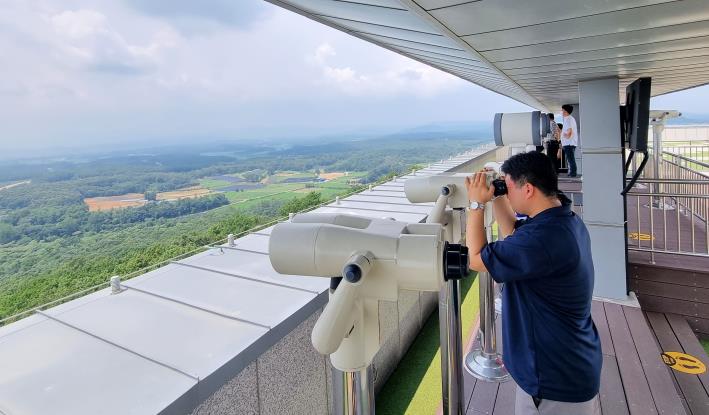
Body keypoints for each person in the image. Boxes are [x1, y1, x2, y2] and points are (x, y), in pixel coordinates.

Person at [464, 151, 601, 415]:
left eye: (510, 186)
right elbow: (513, 232)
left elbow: (476, 259)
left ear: (527, 189)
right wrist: (498, 194)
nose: (508, 191)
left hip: (553, 382)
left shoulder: (541, 240)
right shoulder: (562, 221)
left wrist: (475, 205)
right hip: (570, 364)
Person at [560, 104, 578, 177]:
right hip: (570, 143)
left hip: (569, 143)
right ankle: (571, 172)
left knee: (570, 159)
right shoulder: (571, 118)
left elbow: (569, 130)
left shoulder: (568, 119)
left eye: (562, 110)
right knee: (570, 159)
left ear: (565, 111)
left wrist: (566, 136)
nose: (562, 112)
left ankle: (572, 173)